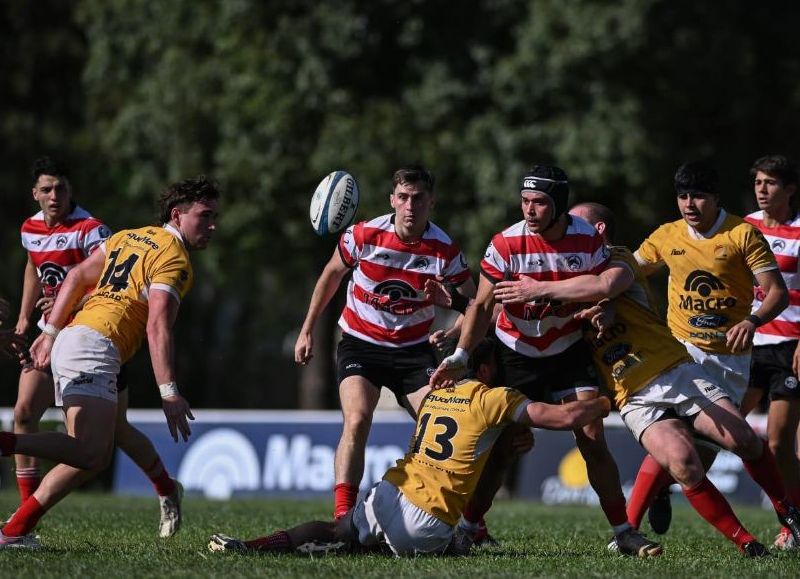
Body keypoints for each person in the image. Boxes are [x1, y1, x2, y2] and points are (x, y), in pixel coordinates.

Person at [497, 201, 800, 556]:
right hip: (633, 395)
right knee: (684, 463)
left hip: (674, 369)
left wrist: (577, 298)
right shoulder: (560, 272)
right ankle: (747, 543)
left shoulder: (618, 258)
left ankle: (788, 512)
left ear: (597, 233)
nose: (565, 232)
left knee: (745, 440)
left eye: (573, 224)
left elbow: (606, 285)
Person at [431, 165, 659, 557]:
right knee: (502, 447)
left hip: (568, 350)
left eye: (539, 202)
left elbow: (604, 289)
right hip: (515, 353)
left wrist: (603, 309)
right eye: (524, 201)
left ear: (560, 205)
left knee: (591, 437)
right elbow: (483, 305)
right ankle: (469, 529)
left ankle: (623, 532)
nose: (530, 210)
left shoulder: (586, 238)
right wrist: (461, 354)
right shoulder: (505, 244)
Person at [208, 339, 612, 557]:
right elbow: (564, 418)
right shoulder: (494, 397)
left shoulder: (436, 394)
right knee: (454, 546)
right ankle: (458, 539)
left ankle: (255, 546)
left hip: (390, 494)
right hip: (427, 522)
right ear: (487, 370)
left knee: (338, 529)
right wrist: (606, 399)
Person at [0, 175, 220, 549]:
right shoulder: (175, 257)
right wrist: (169, 392)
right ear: (177, 215)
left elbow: (75, 276)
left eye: (215, 216)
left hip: (86, 339)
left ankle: (15, 532)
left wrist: (51, 333)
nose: (212, 225)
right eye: (204, 216)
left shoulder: (127, 235)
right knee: (89, 452)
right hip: (95, 346)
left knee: (109, 439)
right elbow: (157, 325)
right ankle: (7, 449)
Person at [294, 165, 476, 519]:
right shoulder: (363, 236)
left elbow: (475, 307)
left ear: (431, 203)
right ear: (392, 200)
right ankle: (342, 518)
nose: (410, 206)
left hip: (413, 351)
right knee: (358, 419)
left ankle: (467, 520)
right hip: (360, 344)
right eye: (403, 198)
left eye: (418, 198)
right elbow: (331, 274)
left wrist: (454, 331)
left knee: (445, 427)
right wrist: (307, 328)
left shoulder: (444, 250)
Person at [627, 160, 789, 534]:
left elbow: (777, 293)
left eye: (698, 196)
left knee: (702, 453)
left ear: (716, 197)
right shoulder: (667, 235)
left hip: (730, 360)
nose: (689, 204)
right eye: (683, 196)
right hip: (680, 353)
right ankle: (626, 531)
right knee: (675, 434)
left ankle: (662, 490)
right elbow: (628, 273)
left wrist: (752, 321)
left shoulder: (742, 235)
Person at [741, 155, 800, 549]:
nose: (763, 189)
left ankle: (791, 525)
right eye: (759, 182)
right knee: (720, 431)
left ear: (790, 189)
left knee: (779, 444)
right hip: (745, 345)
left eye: (772, 183)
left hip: (788, 348)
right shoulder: (744, 226)